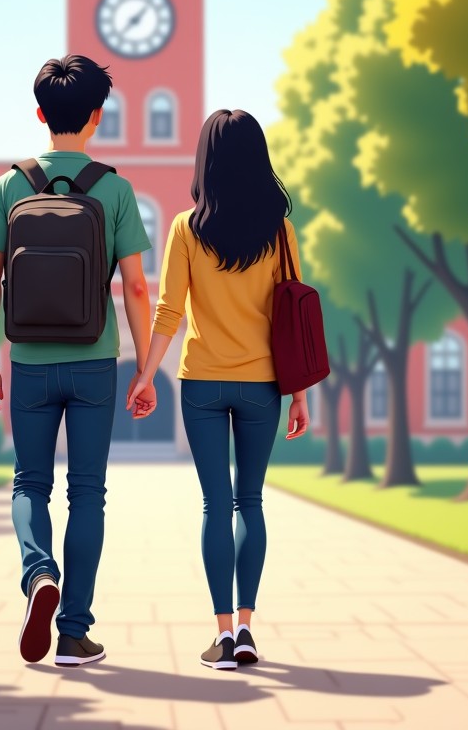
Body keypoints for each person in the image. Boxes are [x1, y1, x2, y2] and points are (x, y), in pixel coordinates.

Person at [0, 54, 154, 668]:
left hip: (27, 359)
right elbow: (136, 287)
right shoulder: (116, 189)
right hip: (94, 360)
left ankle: (38, 575)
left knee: (30, 482)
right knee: (87, 493)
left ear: (40, 114)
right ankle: (74, 633)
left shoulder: (10, 186)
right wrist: (145, 367)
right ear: (97, 116)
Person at [126, 109, 310, 671]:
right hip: (263, 383)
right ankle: (250, 628)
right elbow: (294, 312)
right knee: (249, 501)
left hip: (202, 382)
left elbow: (168, 310)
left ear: (205, 160)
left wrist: (146, 374)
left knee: (215, 503)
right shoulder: (279, 232)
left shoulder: (186, 228)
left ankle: (224, 635)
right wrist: (300, 394)